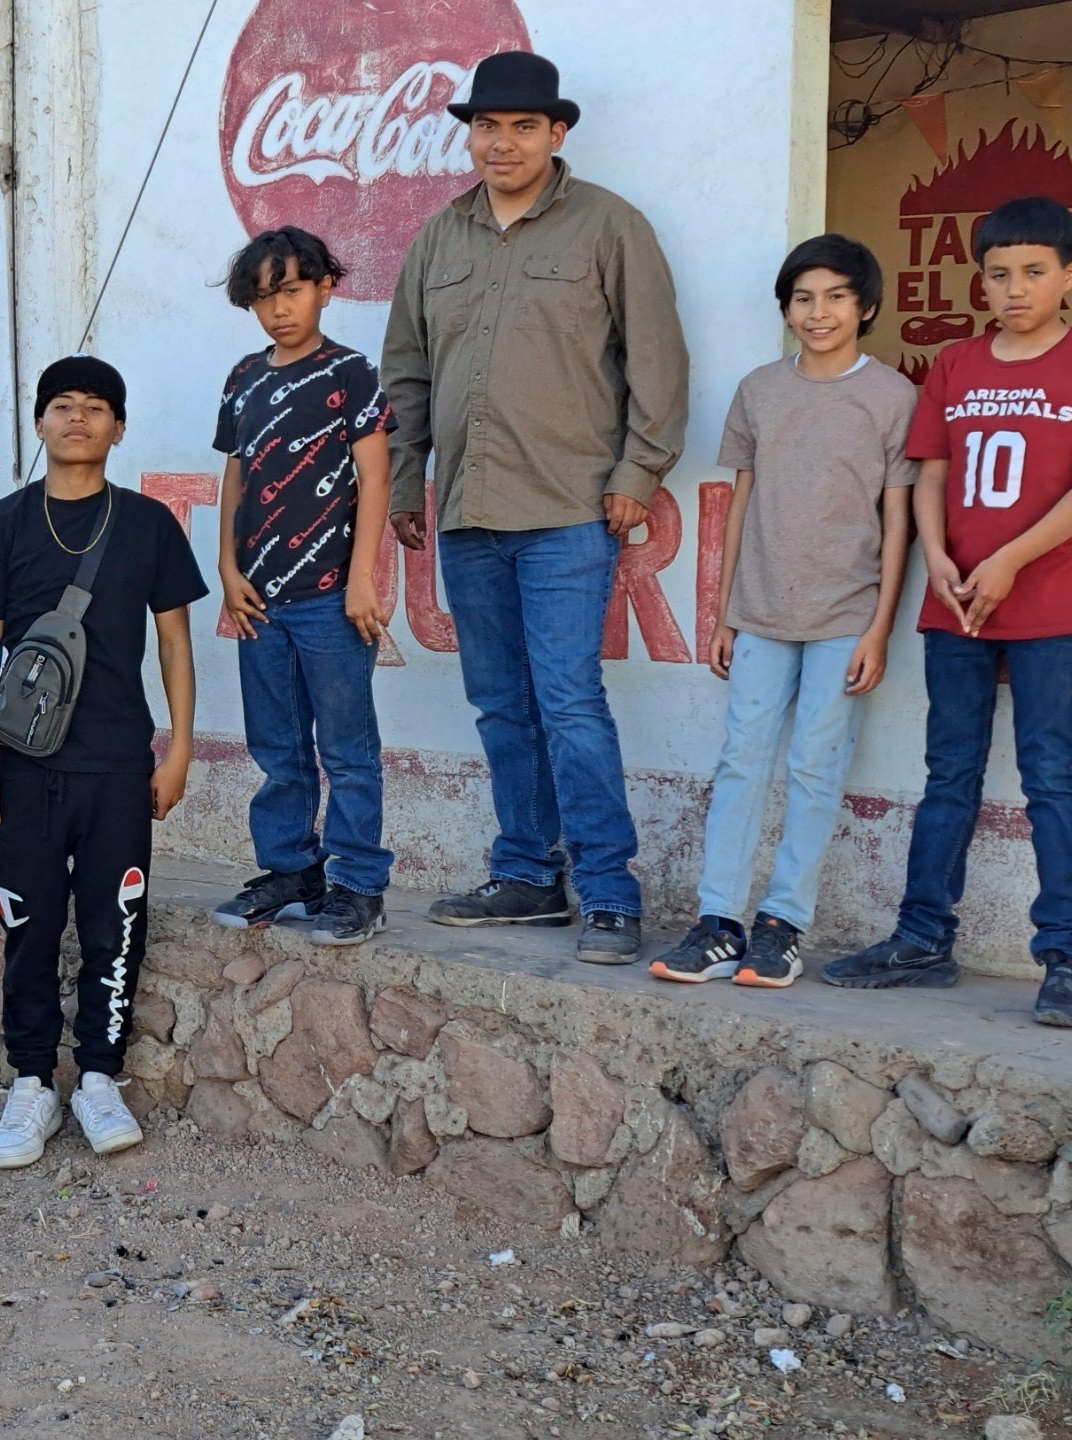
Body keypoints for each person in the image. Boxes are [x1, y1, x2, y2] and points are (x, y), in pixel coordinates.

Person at [380, 51, 689, 963]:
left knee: (568, 701)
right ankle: (525, 874)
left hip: (567, 511)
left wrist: (640, 471)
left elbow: (658, 363)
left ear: (558, 134)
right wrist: (406, 482)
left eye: (522, 126)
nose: (501, 142)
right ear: (468, 136)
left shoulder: (609, 227)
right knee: (500, 705)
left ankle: (607, 892)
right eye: (486, 126)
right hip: (469, 513)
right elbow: (406, 372)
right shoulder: (440, 238)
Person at [824, 197, 1072, 1027]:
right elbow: (928, 472)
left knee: (1051, 777)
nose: (1014, 288)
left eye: (1034, 273)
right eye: (999, 274)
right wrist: (939, 554)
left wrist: (1009, 559)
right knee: (949, 774)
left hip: (1047, 603)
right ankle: (923, 938)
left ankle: (1064, 956)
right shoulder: (956, 364)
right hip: (955, 603)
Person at [0, 355, 207, 1170]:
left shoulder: (148, 525)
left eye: (96, 408)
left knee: (115, 927)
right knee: (26, 927)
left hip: (118, 766)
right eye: (62, 406)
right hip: (23, 770)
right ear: (38, 423)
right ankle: (31, 1083)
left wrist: (178, 749)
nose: (77, 420)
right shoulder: (2, 525)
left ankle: (99, 1076)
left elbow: (174, 640)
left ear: (119, 427)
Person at [650, 235, 915, 990]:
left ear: (865, 306)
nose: (818, 312)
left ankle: (782, 925)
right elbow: (741, 505)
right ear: (786, 309)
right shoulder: (760, 390)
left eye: (835, 297)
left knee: (813, 768)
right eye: (803, 298)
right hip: (761, 612)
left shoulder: (892, 397)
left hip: (844, 618)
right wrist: (724, 612)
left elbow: (899, 522)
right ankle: (718, 921)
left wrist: (878, 628)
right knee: (740, 762)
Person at [210, 226, 395, 945]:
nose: (279, 309)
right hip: (260, 598)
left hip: (328, 597)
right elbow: (236, 473)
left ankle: (357, 884)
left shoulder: (350, 374)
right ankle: (291, 870)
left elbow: (373, 477)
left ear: (325, 286)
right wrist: (228, 568)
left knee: (348, 749)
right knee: (277, 746)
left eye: (291, 289)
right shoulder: (243, 378)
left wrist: (361, 581)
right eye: (263, 297)